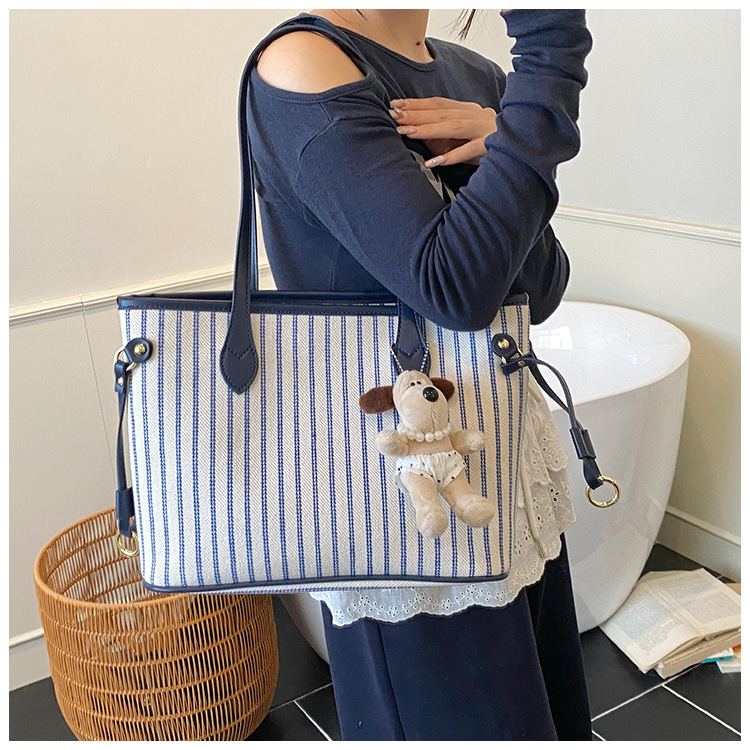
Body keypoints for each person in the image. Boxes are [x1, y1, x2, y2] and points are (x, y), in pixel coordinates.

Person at [247, 9, 594, 740]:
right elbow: (455, 289)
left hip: (505, 465)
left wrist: (495, 145)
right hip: (402, 498)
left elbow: (541, 287)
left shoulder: (473, 73)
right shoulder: (305, 61)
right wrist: (551, 46)